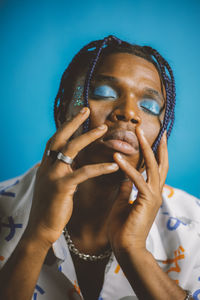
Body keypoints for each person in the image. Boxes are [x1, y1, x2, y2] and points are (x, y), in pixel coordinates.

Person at [0, 35, 199, 300]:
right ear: (62, 111)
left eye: (149, 107)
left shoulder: (195, 227)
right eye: (104, 92)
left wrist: (134, 251)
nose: (129, 113)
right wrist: (38, 236)